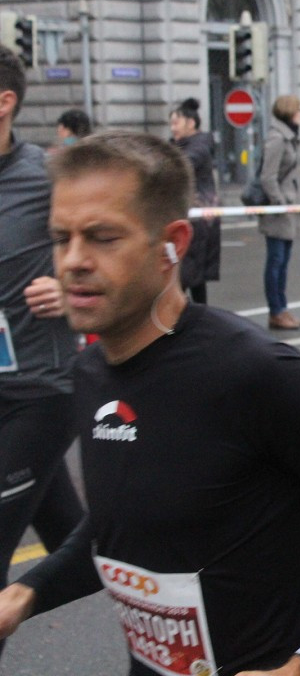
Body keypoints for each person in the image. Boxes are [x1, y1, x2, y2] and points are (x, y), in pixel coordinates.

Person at [0, 130, 300, 675]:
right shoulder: (91, 371)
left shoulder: (253, 372)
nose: (72, 261)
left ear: (173, 243)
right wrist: (26, 593)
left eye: (102, 238)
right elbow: (119, 524)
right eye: (61, 237)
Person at [0, 45, 84, 664]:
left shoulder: (49, 174)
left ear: (4, 103)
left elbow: (127, 245)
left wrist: (69, 285)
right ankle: (185, 588)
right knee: (85, 553)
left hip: (39, 392)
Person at [259, 95, 300, 331]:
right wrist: (280, 202)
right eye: (299, 109)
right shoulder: (277, 138)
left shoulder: (289, 136)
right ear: (290, 112)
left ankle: (282, 308)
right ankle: (276, 311)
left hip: (289, 208)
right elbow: (268, 176)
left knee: (283, 261)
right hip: (280, 210)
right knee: (275, 261)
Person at [169, 98, 221, 304]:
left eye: (176, 123)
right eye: (171, 123)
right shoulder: (178, 146)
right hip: (190, 216)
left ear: (191, 123)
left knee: (187, 274)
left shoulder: (198, 148)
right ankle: (199, 322)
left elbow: (180, 168)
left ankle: (187, 323)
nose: (173, 128)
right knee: (194, 277)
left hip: (200, 219)